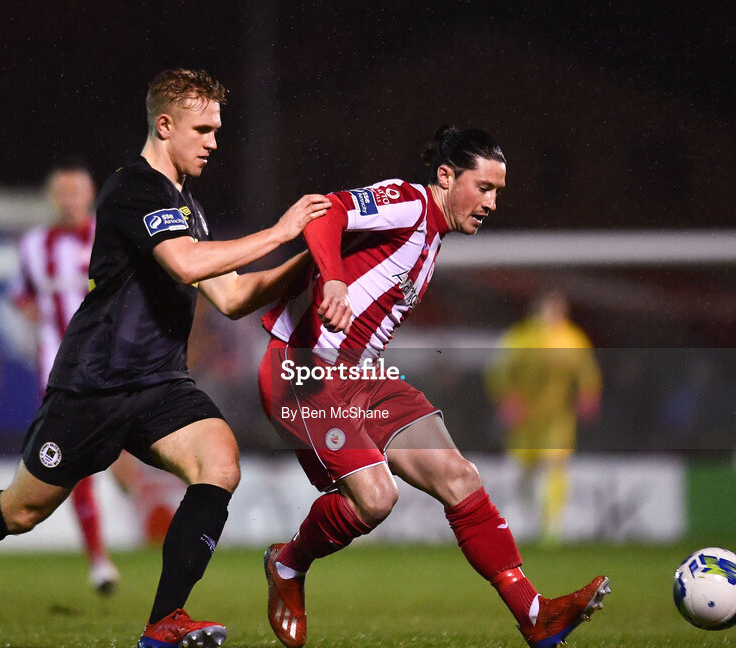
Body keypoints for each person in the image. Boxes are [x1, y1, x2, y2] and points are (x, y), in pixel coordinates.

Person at [0, 68, 331, 648]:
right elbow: (185, 265)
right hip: (95, 384)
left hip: (159, 383)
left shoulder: (191, 208)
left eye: (217, 129)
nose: (214, 141)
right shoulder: (133, 189)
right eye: (202, 128)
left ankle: (164, 623)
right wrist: (285, 231)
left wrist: (308, 262)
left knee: (220, 463)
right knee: (20, 512)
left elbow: (231, 297)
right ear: (165, 125)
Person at [257, 125, 610, 648]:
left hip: (362, 375)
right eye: (483, 188)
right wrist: (331, 278)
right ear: (446, 176)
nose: (491, 203)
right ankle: (287, 567)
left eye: (498, 193)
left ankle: (534, 613)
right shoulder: (409, 202)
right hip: (303, 372)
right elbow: (326, 209)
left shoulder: (433, 238)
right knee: (375, 500)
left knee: (458, 475)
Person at [9, 158, 133, 594]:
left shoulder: (111, 234)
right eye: (61, 193)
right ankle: (99, 560)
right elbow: (21, 297)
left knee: (127, 438)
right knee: (71, 460)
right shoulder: (33, 245)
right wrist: (41, 324)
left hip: (112, 362)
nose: (68, 201)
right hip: (58, 370)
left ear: (89, 194)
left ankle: (123, 464)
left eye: (75, 193)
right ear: (52, 198)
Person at [485, 291, 602, 545]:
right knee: (522, 474)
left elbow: (587, 373)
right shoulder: (520, 337)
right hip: (525, 419)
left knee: (554, 467)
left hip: (557, 419)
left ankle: (551, 529)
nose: (553, 317)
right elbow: (499, 372)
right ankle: (526, 522)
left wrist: (588, 394)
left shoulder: (573, 339)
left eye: (558, 311)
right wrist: (507, 400)